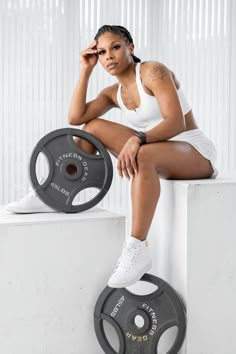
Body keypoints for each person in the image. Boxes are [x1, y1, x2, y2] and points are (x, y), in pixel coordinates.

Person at [6, 25, 218, 288]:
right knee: (92, 127)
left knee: (143, 155)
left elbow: (176, 124)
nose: (108, 56)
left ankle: (137, 248)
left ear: (130, 47)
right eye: (102, 52)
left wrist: (137, 138)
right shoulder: (113, 93)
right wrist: (86, 69)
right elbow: (76, 117)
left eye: (115, 47)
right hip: (155, 149)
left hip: (193, 151)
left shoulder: (153, 72)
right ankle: (55, 192)